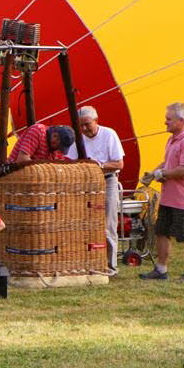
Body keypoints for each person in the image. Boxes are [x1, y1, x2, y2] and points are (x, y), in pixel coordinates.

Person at [139, 102, 184, 283]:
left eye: (168, 119)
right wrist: (153, 173)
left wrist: (163, 173)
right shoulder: (172, 140)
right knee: (161, 232)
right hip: (168, 198)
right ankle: (161, 269)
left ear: (181, 120)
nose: (165, 122)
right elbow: (167, 163)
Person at [66, 106, 125, 274]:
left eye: (87, 125)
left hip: (108, 181)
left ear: (96, 121)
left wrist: (99, 165)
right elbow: (70, 161)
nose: (84, 129)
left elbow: (119, 164)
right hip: (86, 184)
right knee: (83, 222)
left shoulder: (109, 134)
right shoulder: (78, 139)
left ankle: (110, 265)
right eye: (81, 126)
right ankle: (86, 261)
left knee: (108, 223)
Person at [6, 123, 74, 163]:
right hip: (13, 174)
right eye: (59, 146)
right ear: (55, 136)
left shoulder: (58, 149)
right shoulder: (38, 131)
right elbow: (22, 160)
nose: (59, 150)